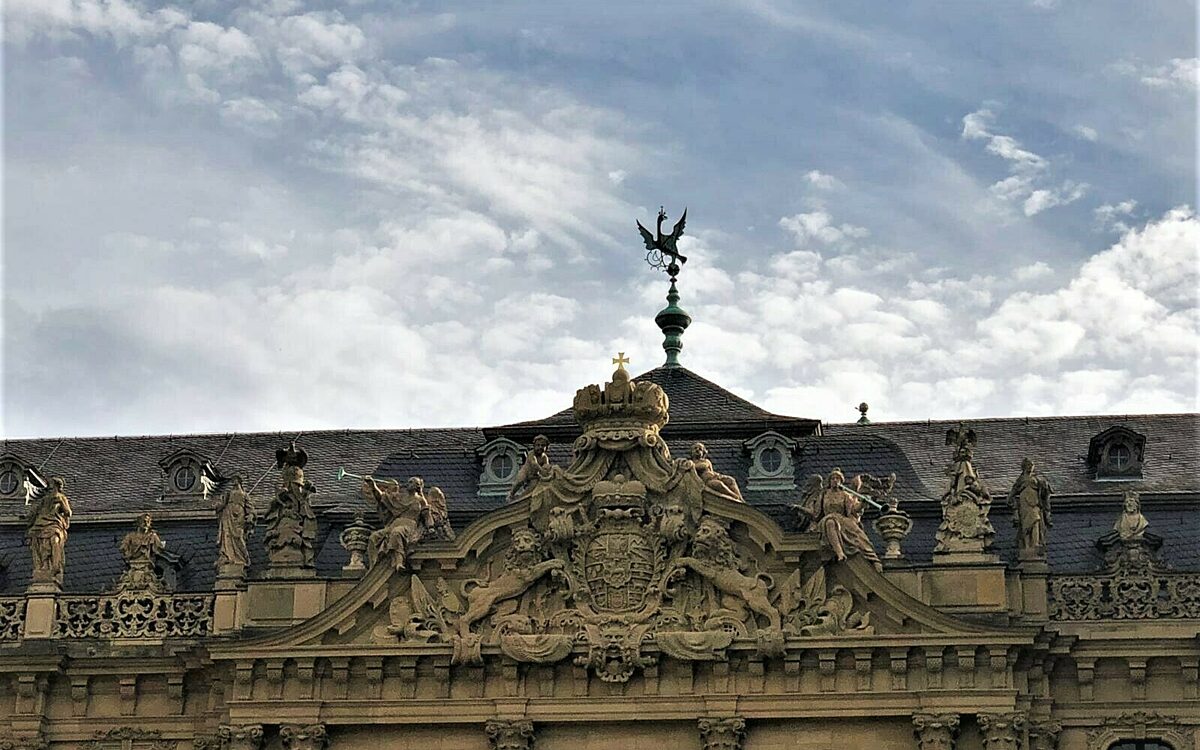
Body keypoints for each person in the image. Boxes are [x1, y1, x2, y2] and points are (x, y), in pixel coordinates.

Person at [818, 468, 882, 572]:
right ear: (829, 481)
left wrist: (863, 504)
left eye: (837, 478)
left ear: (841, 481)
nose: (835, 480)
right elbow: (816, 512)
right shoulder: (824, 495)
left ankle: (873, 559)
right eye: (833, 478)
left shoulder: (845, 495)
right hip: (827, 519)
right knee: (830, 522)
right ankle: (840, 553)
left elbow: (854, 509)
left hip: (843, 519)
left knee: (858, 536)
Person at [27, 477, 72, 585]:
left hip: (53, 524)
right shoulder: (45, 499)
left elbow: (68, 512)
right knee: (41, 545)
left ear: (56, 486)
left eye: (51, 484)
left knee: (53, 543)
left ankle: (55, 566)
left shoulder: (60, 498)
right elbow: (34, 513)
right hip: (41, 524)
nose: (49, 486)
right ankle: (45, 567)